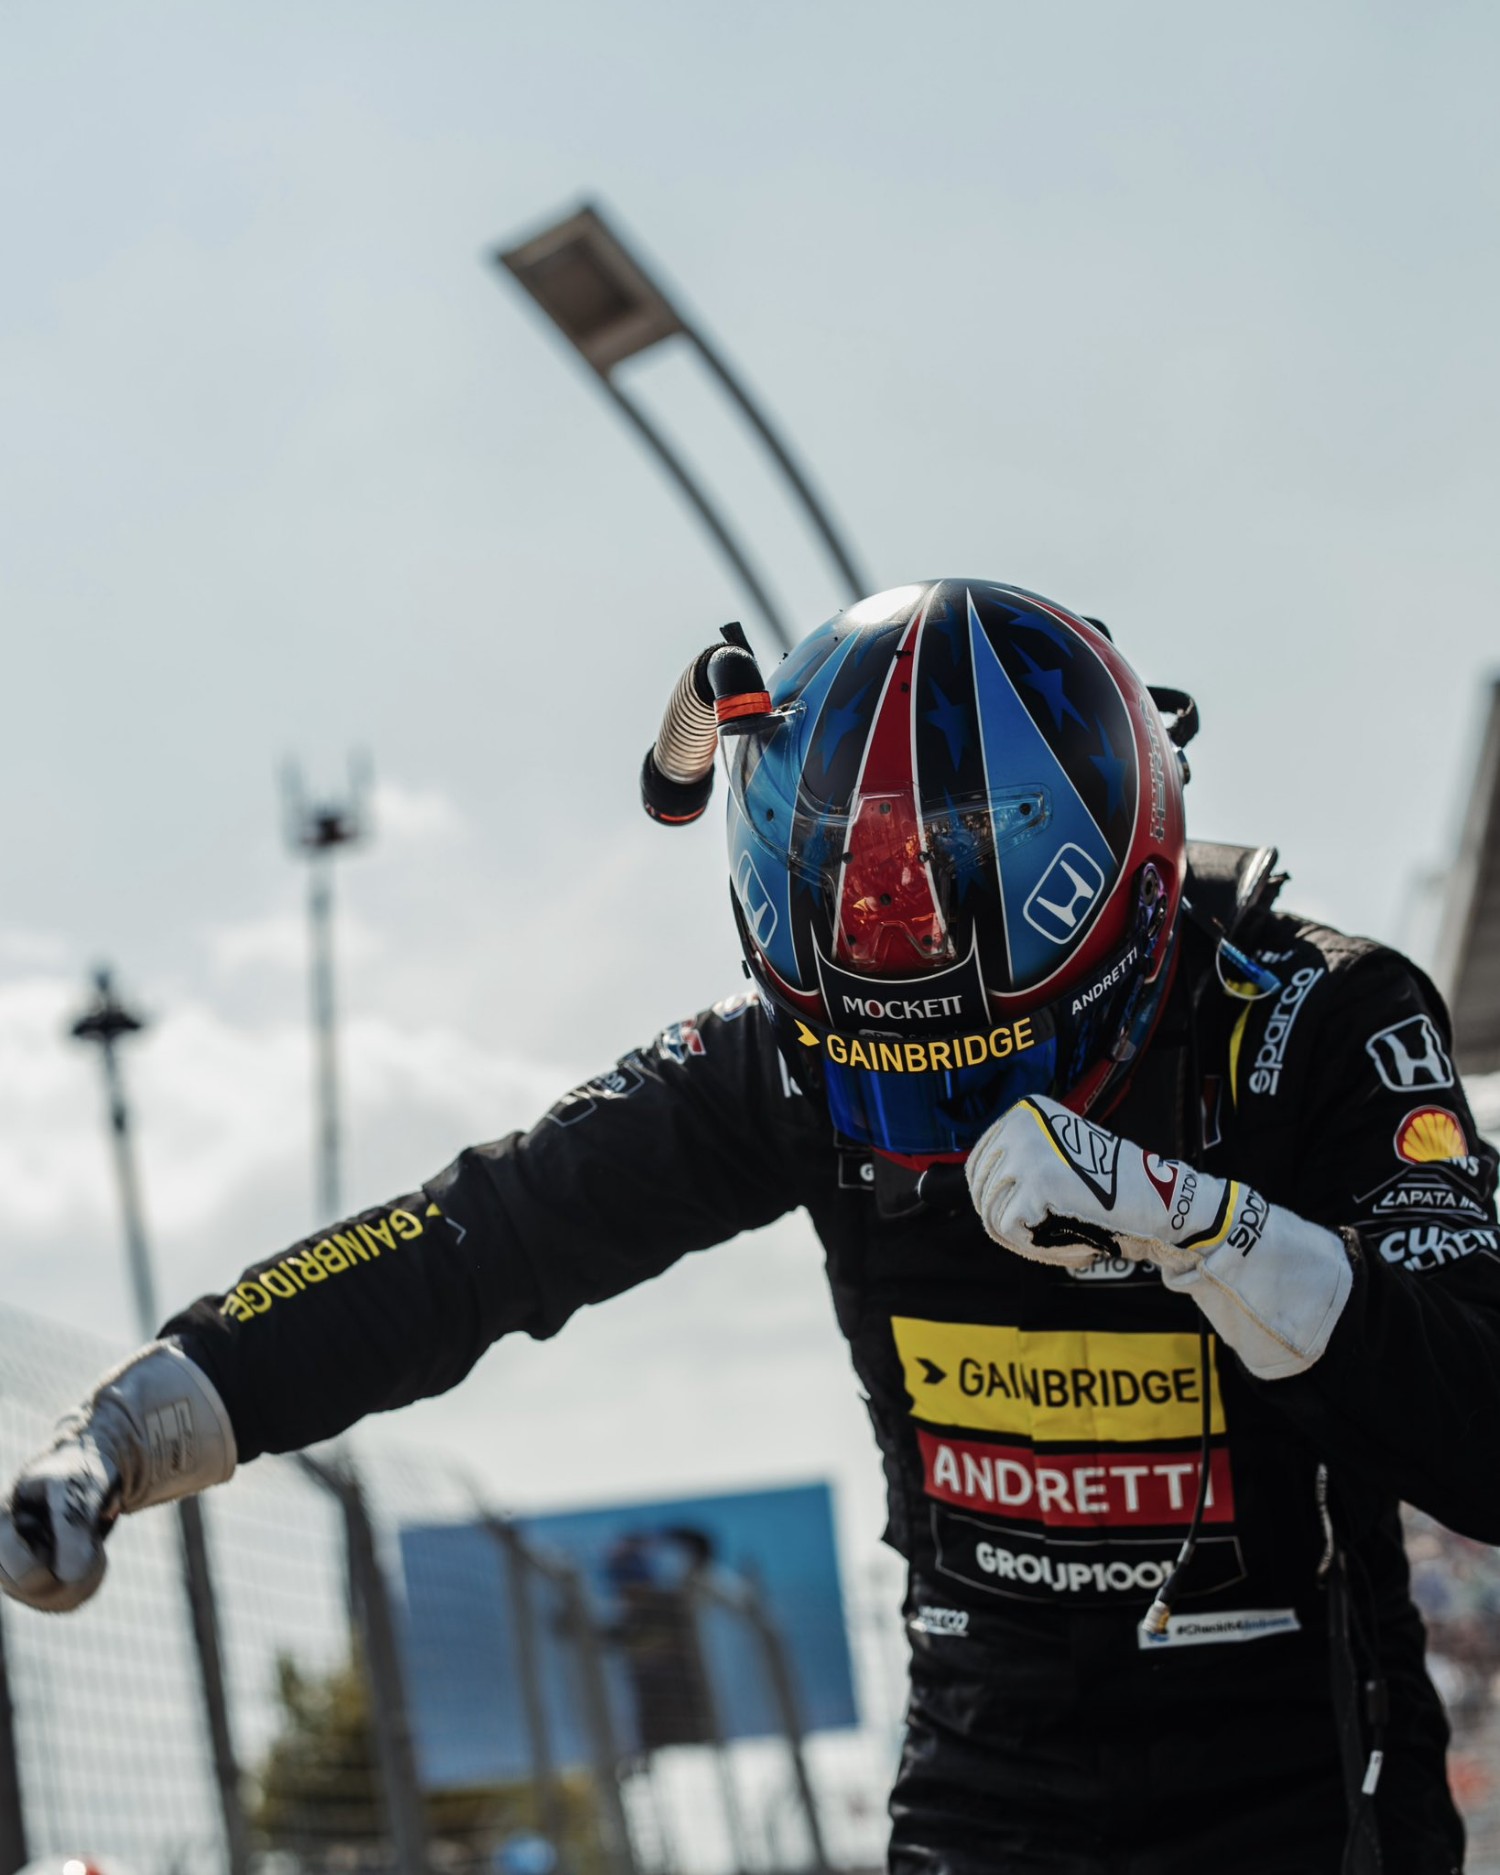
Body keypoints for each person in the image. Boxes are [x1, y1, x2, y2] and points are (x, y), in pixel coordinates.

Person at [3, 579, 1497, 1874]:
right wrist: (144, 1416)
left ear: (1135, 907)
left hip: (1309, 1786)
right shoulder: (780, 1063)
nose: (944, 1123)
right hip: (989, 1784)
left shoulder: (1320, 1021)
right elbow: (484, 1238)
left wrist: (1201, 1226)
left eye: (989, 1059)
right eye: (884, 1062)